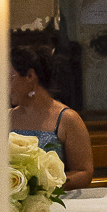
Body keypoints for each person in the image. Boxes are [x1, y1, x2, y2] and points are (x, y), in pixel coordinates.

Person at [9, 44, 94, 190]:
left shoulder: (68, 119)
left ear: (30, 76)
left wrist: (43, 185)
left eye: (9, 77)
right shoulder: (6, 118)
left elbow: (83, 172)